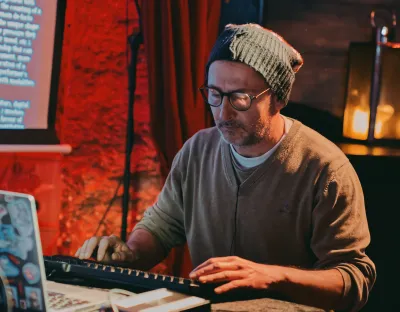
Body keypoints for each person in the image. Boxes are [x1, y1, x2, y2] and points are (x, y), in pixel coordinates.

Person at [76, 24, 376, 311]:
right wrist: (127, 255)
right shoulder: (197, 149)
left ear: (277, 98)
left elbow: (354, 279)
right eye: (215, 94)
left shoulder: (324, 168)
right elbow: (162, 227)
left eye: (240, 98)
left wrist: (272, 276)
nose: (223, 112)